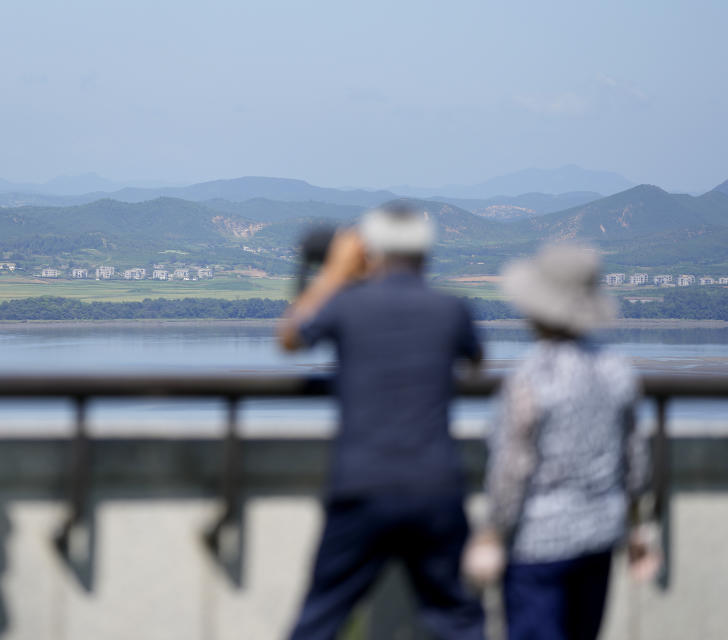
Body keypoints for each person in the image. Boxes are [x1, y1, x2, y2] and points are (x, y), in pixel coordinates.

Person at [279, 201, 486, 640]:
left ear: (370, 251)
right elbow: (476, 361)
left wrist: (335, 272)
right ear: (426, 254)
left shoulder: (349, 306)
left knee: (321, 617)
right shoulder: (450, 308)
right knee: (457, 619)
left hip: (362, 485)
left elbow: (291, 337)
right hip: (436, 487)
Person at [464, 244, 655, 640]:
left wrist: (490, 533)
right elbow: (636, 460)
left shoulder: (531, 376)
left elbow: (512, 467)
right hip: (601, 535)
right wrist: (638, 526)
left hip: (538, 542)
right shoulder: (616, 370)